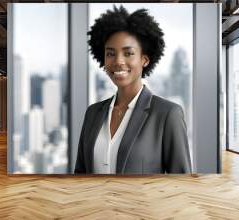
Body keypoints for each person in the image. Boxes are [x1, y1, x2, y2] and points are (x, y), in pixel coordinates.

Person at [74, 5, 191, 174]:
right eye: (110, 53)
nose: (118, 61)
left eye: (128, 53)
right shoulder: (92, 113)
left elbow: (181, 183)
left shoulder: (167, 114)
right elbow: (80, 174)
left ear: (145, 59)